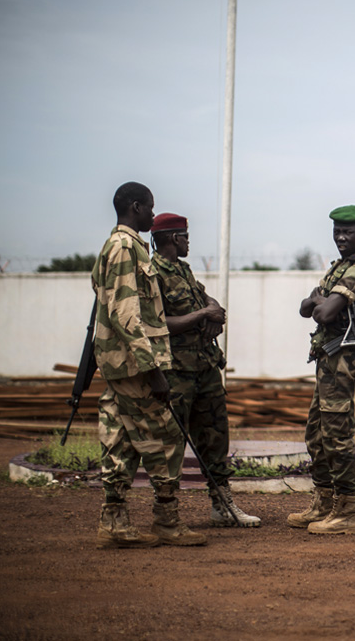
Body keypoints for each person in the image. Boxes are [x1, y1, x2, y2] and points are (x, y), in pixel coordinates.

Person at [91, 182, 205, 548]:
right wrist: (152, 368)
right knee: (167, 435)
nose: (153, 216)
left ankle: (115, 520)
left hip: (118, 364)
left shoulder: (114, 246)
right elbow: (126, 314)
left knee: (122, 437)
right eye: (150, 209)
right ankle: (166, 520)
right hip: (134, 365)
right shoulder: (126, 247)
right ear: (135, 207)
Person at [150, 212, 260, 528]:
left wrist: (212, 311)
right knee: (171, 442)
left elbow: (202, 297)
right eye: (184, 236)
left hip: (205, 366)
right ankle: (166, 511)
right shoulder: (153, 273)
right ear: (173, 238)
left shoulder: (182, 270)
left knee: (215, 436)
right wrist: (203, 315)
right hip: (177, 371)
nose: (188, 241)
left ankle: (222, 505)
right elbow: (157, 323)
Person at [288, 205, 355, 535]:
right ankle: (324, 501)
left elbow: (324, 313)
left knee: (336, 435)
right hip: (327, 361)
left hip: (342, 361)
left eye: (349, 232)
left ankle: (347, 510)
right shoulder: (338, 268)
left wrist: (319, 301)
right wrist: (317, 303)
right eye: (337, 232)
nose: (341, 237)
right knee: (316, 433)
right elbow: (305, 308)